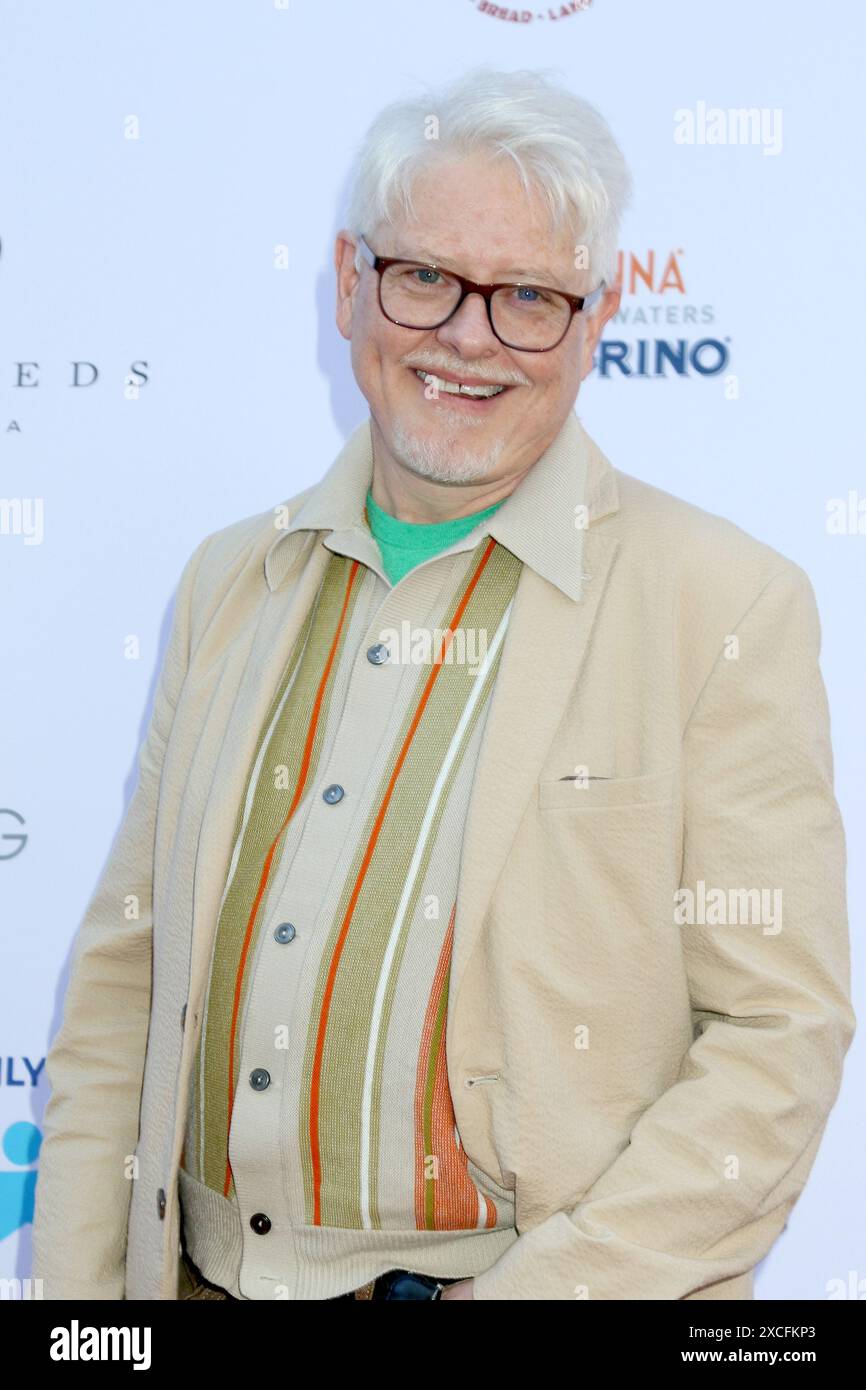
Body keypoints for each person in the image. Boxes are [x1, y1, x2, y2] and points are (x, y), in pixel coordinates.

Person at [32, 67, 855, 1301]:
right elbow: (122, 984)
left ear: (595, 318)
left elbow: (773, 1039)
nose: (468, 336)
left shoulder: (719, 602)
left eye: (526, 294)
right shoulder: (229, 582)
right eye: (425, 278)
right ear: (351, 282)